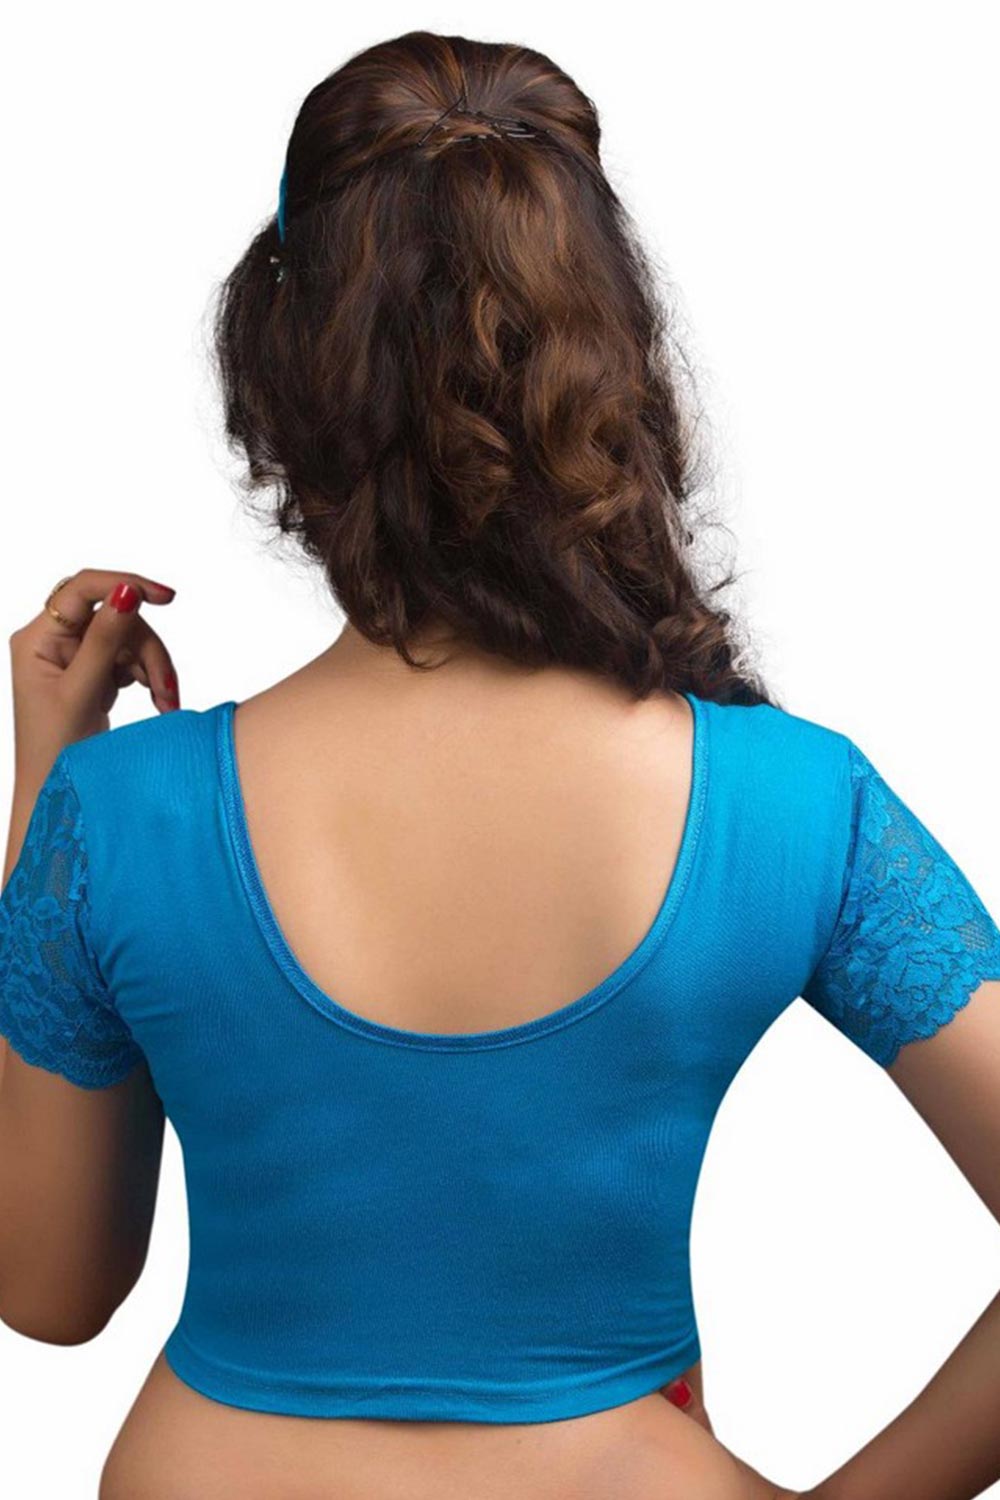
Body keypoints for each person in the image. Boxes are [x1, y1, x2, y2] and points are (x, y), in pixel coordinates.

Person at [1, 29, 998, 1500]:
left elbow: (51, 1289)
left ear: (280, 375)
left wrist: (48, 778)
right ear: (611, 362)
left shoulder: (114, 818)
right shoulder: (792, 804)